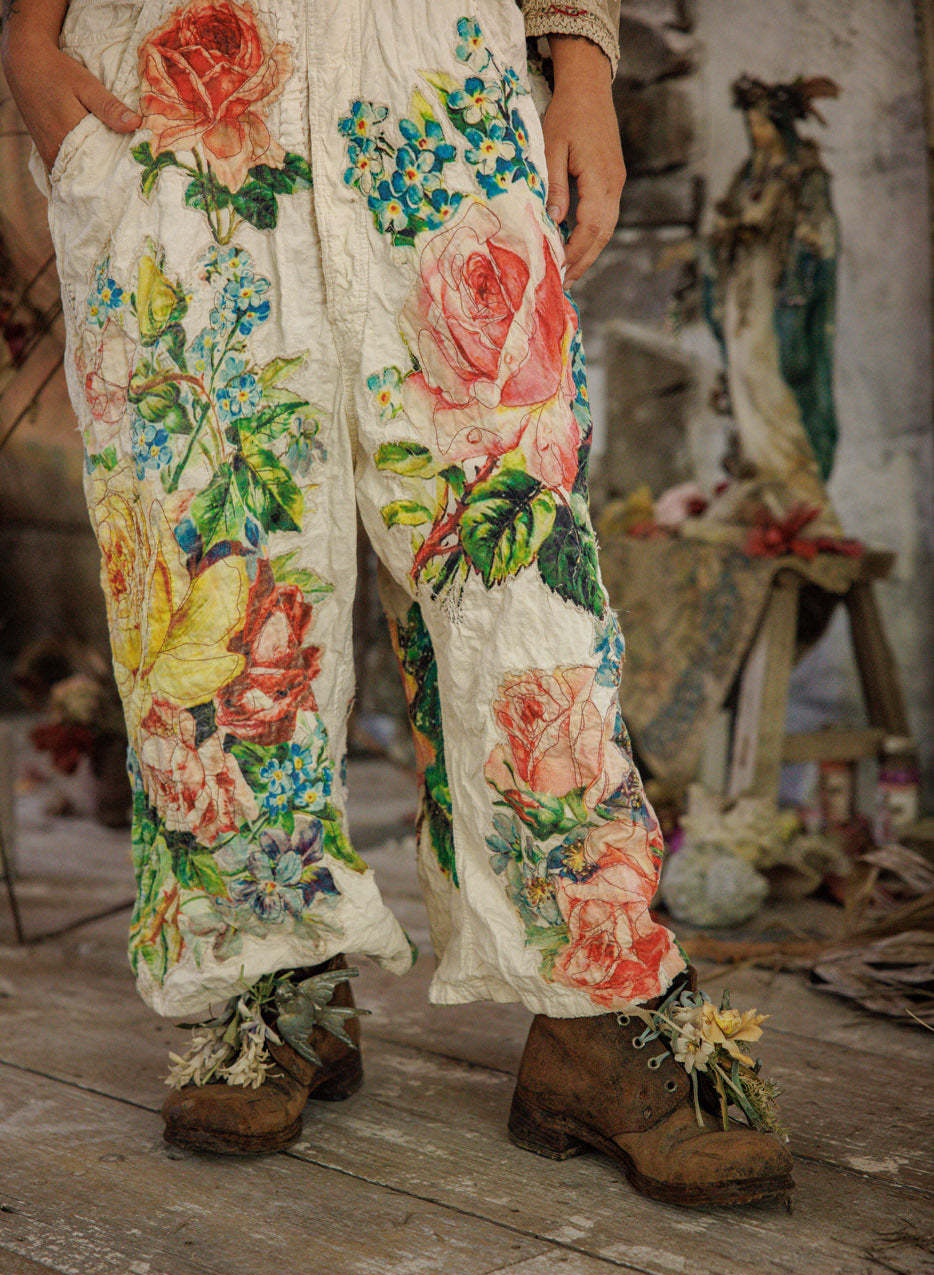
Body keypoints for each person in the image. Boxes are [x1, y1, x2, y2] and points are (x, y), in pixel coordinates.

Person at [2, 0, 793, 1206]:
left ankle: (596, 1004)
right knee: (213, 560)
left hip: (434, 72)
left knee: (519, 567)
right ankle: (274, 978)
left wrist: (582, 63)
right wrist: (28, 33)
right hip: (167, 79)